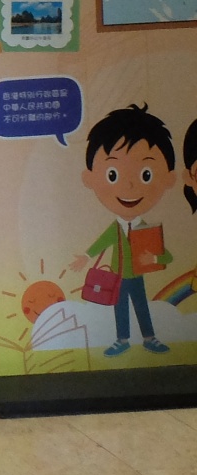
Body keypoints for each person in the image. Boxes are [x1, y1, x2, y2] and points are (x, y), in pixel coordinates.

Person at [68, 104, 175, 357]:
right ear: (90, 178)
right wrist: (86, 257)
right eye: (113, 174)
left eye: (146, 175)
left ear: (168, 179)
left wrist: (154, 258)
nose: (128, 186)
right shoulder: (115, 227)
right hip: (117, 275)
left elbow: (167, 256)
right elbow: (102, 243)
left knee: (141, 305)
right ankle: (122, 339)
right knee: (119, 306)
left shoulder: (146, 230)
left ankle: (149, 338)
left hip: (137, 275)